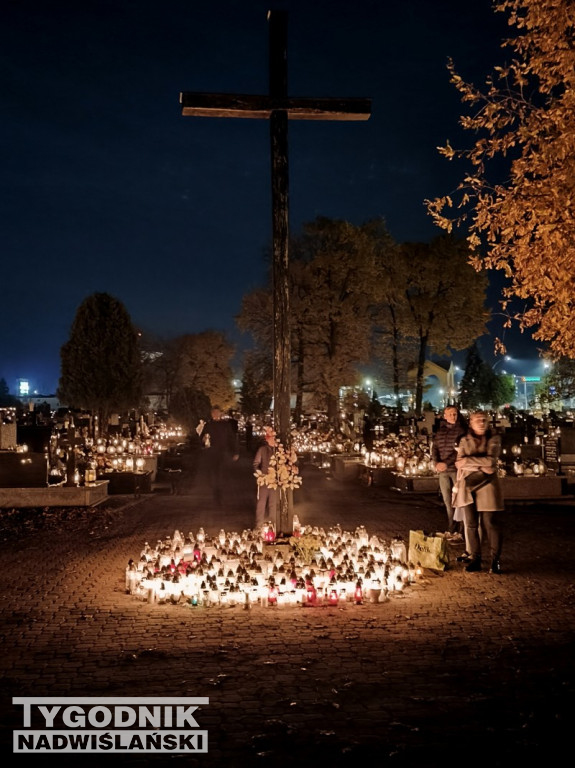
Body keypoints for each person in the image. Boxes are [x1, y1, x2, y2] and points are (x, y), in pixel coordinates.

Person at [454, 410, 504, 574]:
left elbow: (491, 462)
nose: (481, 423)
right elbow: (458, 463)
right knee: (471, 524)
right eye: (477, 420)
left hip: (487, 485)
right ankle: (476, 558)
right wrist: (480, 464)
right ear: (471, 423)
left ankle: (495, 560)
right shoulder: (464, 440)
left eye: (484, 420)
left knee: (491, 524)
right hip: (467, 485)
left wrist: (468, 461)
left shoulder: (494, 439)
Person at [432, 405, 467, 541]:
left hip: (455, 470)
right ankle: (451, 528)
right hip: (443, 471)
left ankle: (461, 531)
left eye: (455, 414)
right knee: (447, 501)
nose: (453, 416)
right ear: (444, 416)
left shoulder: (461, 431)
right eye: (450, 414)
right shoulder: (440, 431)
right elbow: (435, 447)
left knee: (459, 500)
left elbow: (458, 451)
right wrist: (436, 463)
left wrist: (445, 463)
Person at [200, 406, 239, 507]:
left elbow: (231, 438)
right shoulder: (208, 425)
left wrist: (235, 451)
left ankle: (219, 495)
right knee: (213, 474)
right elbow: (203, 438)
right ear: (212, 414)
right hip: (211, 453)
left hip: (223, 452)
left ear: (220, 414)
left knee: (221, 474)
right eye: (214, 413)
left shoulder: (225, 425)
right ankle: (215, 493)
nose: (216, 415)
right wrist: (204, 440)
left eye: (217, 413)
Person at [253, 428, 278, 528]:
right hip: (264, 480)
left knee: (273, 504)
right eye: (271, 438)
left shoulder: (278, 450)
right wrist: (260, 475)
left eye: (273, 437)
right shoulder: (262, 449)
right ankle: (259, 525)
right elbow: (255, 464)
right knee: (261, 503)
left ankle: (273, 524)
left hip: (275, 481)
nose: (273, 439)